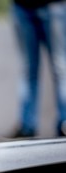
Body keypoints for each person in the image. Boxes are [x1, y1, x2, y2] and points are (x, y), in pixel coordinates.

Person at [11, 0, 66, 138]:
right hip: (21, 6)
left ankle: (64, 123)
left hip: (55, 6)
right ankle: (27, 126)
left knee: (61, 67)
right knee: (28, 69)